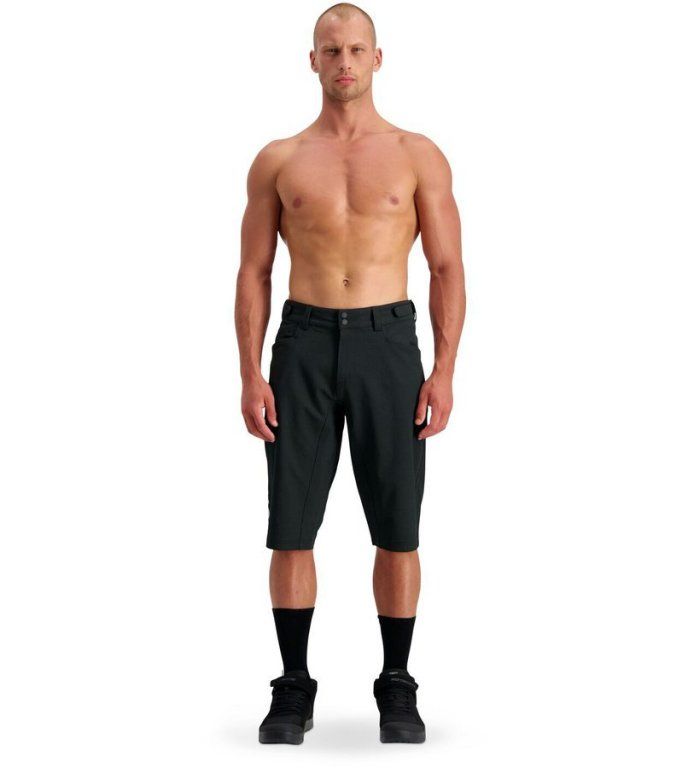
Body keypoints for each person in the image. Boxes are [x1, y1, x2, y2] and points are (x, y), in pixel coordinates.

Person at [235, 2, 465, 745]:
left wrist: (444, 371)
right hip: (301, 342)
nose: (343, 62)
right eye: (330, 50)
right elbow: (254, 271)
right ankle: (293, 684)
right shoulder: (279, 159)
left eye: (356, 49)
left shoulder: (417, 154)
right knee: (290, 525)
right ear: (313, 61)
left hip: (386, 341)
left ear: (377, 58)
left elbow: (446, 267)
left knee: (397, 525)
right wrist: (250, 373)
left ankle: (396, 682)